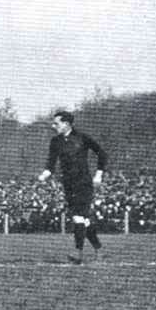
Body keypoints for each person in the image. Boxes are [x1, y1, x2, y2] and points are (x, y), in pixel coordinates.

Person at [38, 110, 108, 264]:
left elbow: (102, 153)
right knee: (84, 220)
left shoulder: (82, 138)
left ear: (66, 124)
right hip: (68, 184)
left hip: (83, 182)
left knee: (78, 217)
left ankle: (78, 252)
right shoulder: (55, 141)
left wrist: (99, 174)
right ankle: (99, 249)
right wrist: (45, 174)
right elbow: (51, 163)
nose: (53, 126)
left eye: (56, 123)